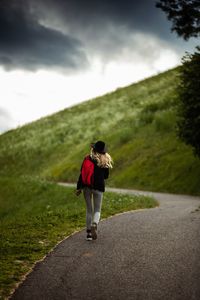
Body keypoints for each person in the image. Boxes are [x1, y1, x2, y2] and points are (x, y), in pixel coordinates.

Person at [76, 141, 113, 241]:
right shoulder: (104, 159)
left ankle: (88, 234)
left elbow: (82, 173)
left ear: (94, 148)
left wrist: (79, 187)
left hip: (87, 186)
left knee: (89, 210)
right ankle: (94, 224)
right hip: (99, 187)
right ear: (103, 150)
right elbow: (106, 176)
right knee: (97, 210)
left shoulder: (87, 158)